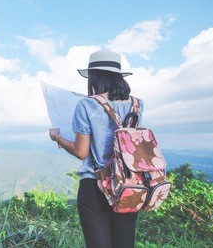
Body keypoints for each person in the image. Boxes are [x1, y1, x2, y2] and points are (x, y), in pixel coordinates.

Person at [48, 50, 144, 248]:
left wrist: (57, 137)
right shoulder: (137, 104)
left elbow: (81, 151)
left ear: (94, 76)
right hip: (129, 184)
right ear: (118, 76)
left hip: (95, 185)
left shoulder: (87, 105)